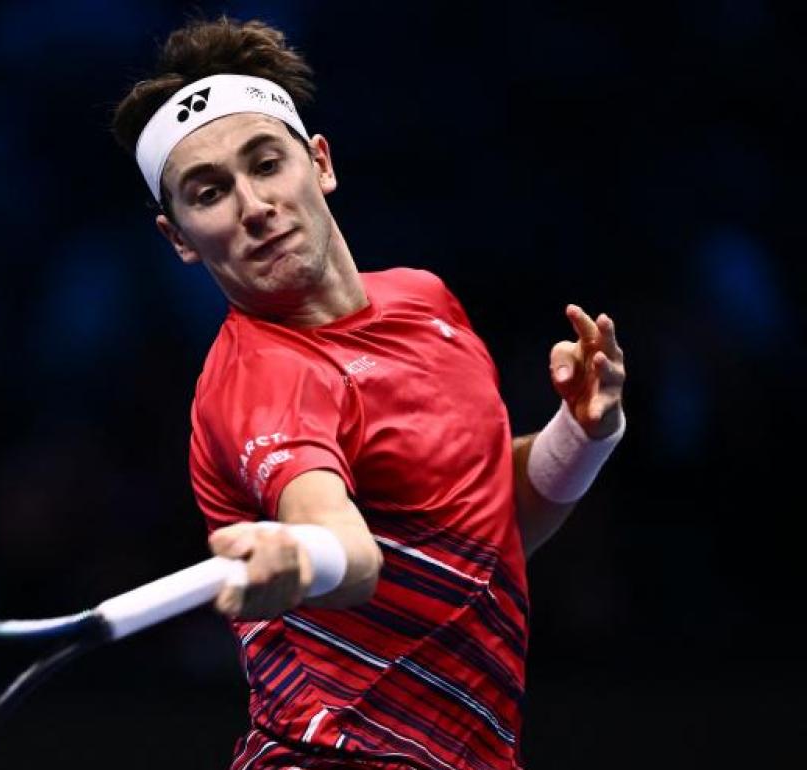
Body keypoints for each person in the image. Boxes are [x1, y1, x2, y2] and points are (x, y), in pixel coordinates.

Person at [112, 17, 626, 770]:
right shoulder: (263, 380)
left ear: (319, 163)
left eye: (266, 163)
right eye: (210, 191)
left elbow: (482, 529)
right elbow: (350, 552)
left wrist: (582, 435)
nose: (253, 205)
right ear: (180, 237)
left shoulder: (425, 302)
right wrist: (304, 553)